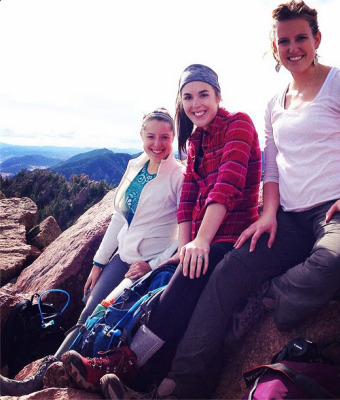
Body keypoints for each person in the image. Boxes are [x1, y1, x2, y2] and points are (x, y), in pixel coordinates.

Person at [98, 2, 340, 398]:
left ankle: (268, 297)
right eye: (283, 41)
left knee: (337, 261)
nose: (293, 48)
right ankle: (177, 388)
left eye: (301, 38)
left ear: (317, 39)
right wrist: (269, 214)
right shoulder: (275, 103)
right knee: (226, 275)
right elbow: (271, 170)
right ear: (274, 47)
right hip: (289, 218)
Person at [57, 63, 262, 397]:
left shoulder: (238, 123)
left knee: (182, 284)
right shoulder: (195, 141)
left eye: (203, 95)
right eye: (188, 97)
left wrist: (199, 242)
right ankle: (110, 365)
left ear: (218, 95)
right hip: (196, 241)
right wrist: (185, 246)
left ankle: (125, 365)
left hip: (229, 238)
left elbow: (227, 184)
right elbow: (187, 202)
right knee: (144, 295)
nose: (196, 103)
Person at [0, 108, 184, 396]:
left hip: (147, 264)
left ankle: (89, 373)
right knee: (86, 313)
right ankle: (43, 375)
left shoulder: (178, 175)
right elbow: (119, 218)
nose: (158, 144)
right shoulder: (135, 166)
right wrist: (98, 264)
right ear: (141, 136)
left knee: (105, 316)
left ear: (174, 137)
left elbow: (184, 231)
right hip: (121, 256)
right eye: (151, 136)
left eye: (165, 137)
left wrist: (154, 265)